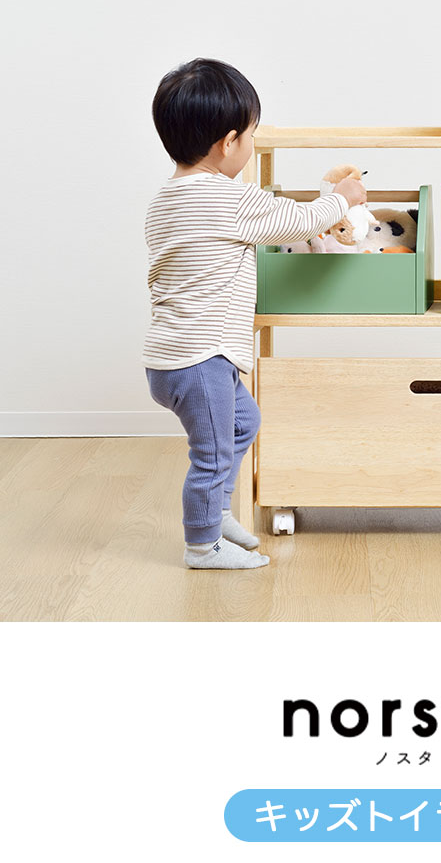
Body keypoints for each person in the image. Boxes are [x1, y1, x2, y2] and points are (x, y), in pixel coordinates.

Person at [142, 58, 366, 569]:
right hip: (201, 358)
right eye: (250, 135)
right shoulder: (229, 199)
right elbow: (298, 220)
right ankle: (202, 545)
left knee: (244, 422)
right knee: (213, 454)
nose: (251, 144)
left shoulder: (164, 201)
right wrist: (342, 198)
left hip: (171, 357)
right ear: (228, 143)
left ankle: (217, 514)